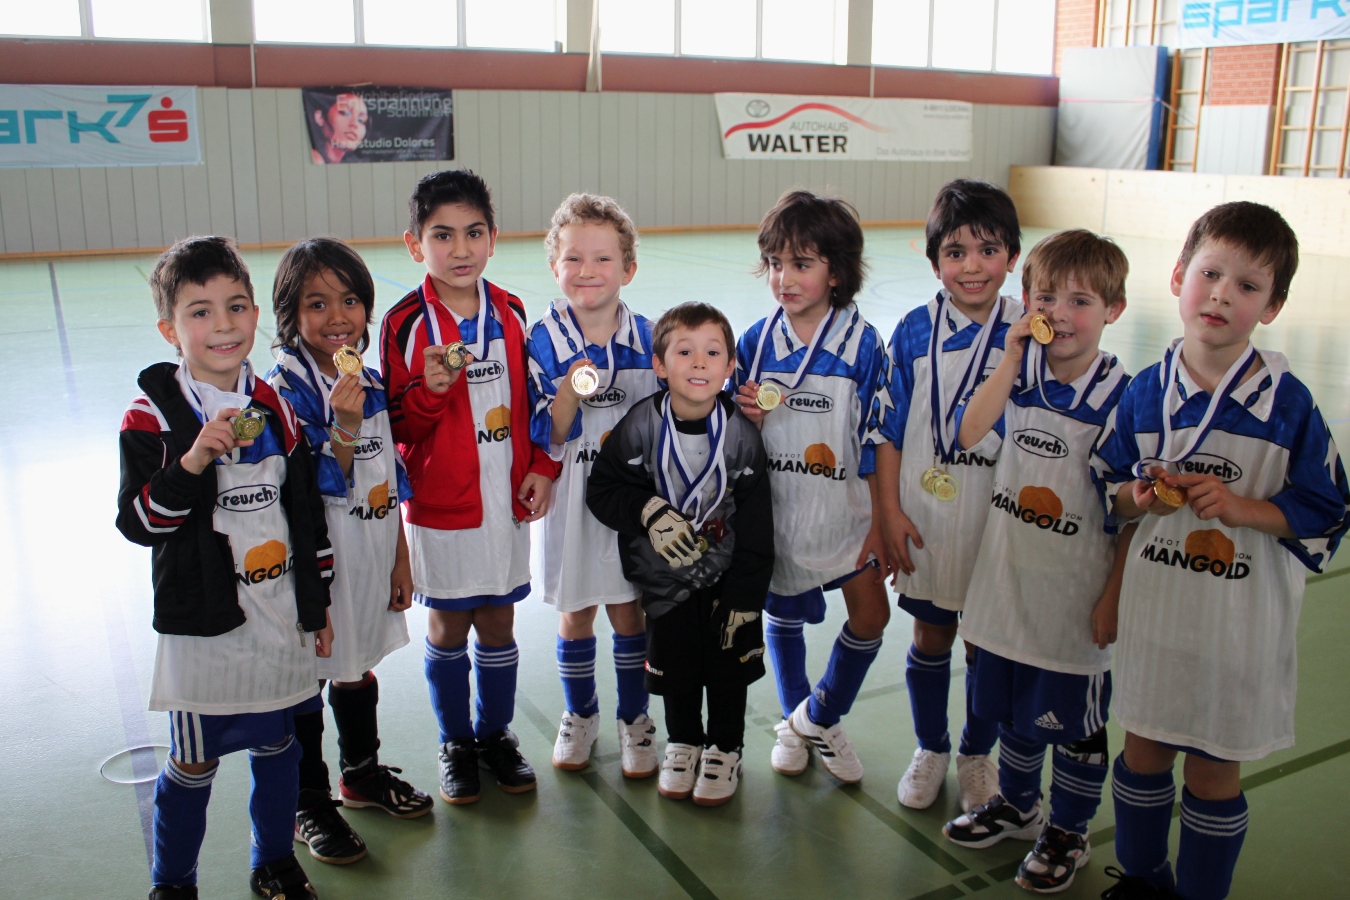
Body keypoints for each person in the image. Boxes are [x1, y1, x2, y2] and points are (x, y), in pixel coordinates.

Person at [1093, 202, 1349, 900]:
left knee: (1212, 770)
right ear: (1179, 276)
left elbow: (1330, 508)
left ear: (1272, 306)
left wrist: (1244, 509)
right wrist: (1138, 499)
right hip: (1156, 618)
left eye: (1247, 285)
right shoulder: (1145, 394)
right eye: (1209, 274)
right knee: (1142, 752)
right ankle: (1142, 881)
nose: (1221, 295)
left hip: (1238, 629)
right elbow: (1107, 491)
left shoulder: (1289, 406)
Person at [116, 236, 333, 900]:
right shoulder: (152, 416)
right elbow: (139, 523)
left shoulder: (276, 406)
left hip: (279, 620)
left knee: (280, 749)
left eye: (236, 306)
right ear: (170, 330)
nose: (223, 325)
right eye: (201, 312)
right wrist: (190, 465)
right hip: (204, 631)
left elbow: (305, 515)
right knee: (193, 764)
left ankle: (274, 861)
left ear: (255, 316)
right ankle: (174, 881)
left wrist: (318, 605)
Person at [938, 229, 1132, 894]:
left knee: (1076, 725)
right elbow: (968, 433)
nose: (1061, 314)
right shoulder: (1017, 377)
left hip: (1073, 596)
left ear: (1113, 310)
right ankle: (1019, 806)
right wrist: (1010, 355)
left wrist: (1112, 597)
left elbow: (1132, 513)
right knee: (1010, 709)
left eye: (1081, 301)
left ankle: (1069, 829)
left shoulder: (1124, 397)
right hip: (1004, 583)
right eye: (1047, 298)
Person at [378, 169, 558, 805]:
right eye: (443, 235)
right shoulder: (404, 323)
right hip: (443, 505)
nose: (461, 249)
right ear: (415, 245)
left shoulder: (511, 311)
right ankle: (455, 740)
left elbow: (536, 401)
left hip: (505, 500)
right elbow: (396, 427)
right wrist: (429, 394)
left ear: (493, 238)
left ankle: (495, 734)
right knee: (450, 626)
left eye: (474, 233)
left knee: (499, 622)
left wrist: (542, 465)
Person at [267, 237, 433, 866]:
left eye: (350, 301)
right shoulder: (284, 391)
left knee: (357, 661)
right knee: (308, 678)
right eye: (317, 304)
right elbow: (311, 488)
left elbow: (387, 474)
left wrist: (400, 556)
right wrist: (341, 426)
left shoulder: (369, 379)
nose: (337, 317)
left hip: (371, 549)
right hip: (315, 565)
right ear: (291, 314)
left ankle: (360, 772)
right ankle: (306, 800)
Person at [872, 179, 1023, 812]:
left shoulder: (1030, 331)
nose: (972, 266)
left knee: (986, 645)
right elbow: (886, 430)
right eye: (956, 252)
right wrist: (889, 512)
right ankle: (931, 746)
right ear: (934, 261)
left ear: (1012, 256)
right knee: (931, 636)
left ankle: (976, 754)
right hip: (928, 516)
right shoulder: (913, 331)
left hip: (1001, 522)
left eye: (988, 249)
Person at [586, 302, 774, 807]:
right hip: (664, 581)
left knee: (729, 667)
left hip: (727, 579)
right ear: (659, 365)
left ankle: (726, 748)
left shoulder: (741, 435)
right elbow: (603, 490)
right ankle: (684, 741)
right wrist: (648, 510)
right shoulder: (640, 425)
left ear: (730, 367)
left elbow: (757, 522)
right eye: (684, 352)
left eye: (712, 353)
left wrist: (746, 595)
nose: (698, 363)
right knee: (677, 665)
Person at [731, 190, 891, 783]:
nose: (784, 278)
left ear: (837, 272)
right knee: (784, 618)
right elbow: (730, 434)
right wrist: (744, 416)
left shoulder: (864, 345)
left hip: (846, 514)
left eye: (801, 264)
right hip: (779, 513)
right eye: (775, 263)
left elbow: (877, 436)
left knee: (871, 617)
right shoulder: (755, 341)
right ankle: (795, 716)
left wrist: (882, 519)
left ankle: (814, 717)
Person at [525, 194, 661, 777]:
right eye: (573, 258)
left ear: (628, 269)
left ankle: (635, 718)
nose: (588, 271)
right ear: (554, 266)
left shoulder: (651, 338)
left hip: (632, 502)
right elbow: (550, 433)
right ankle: (580, 714)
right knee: (577, 611)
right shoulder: (541, 339)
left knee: (629, 611)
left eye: (603, 259)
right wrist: (568, 393)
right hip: (572, 499)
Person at [310, 91, 368, 165]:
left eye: (361, 120)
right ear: (320, 117)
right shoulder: (315, 159)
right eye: (345, 112)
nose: (355, 124)